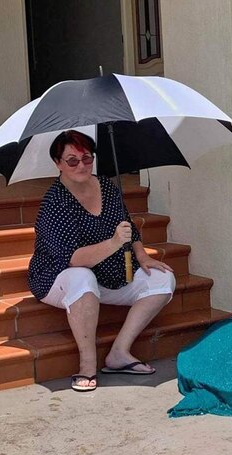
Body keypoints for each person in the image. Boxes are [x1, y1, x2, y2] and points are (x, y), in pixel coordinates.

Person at [28, 130, 175, 392]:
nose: (82, 165)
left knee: (163, 279)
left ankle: (119, 352)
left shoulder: (105, 185)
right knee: (83, 277)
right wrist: (114, 243)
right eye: (72, 160)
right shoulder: (54, 202)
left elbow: (127, 224)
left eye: (87, 158)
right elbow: (72, 259)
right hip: (60, 277)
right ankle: (87, 364)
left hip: (109, 273)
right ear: (58, 163)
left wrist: (141, 255)